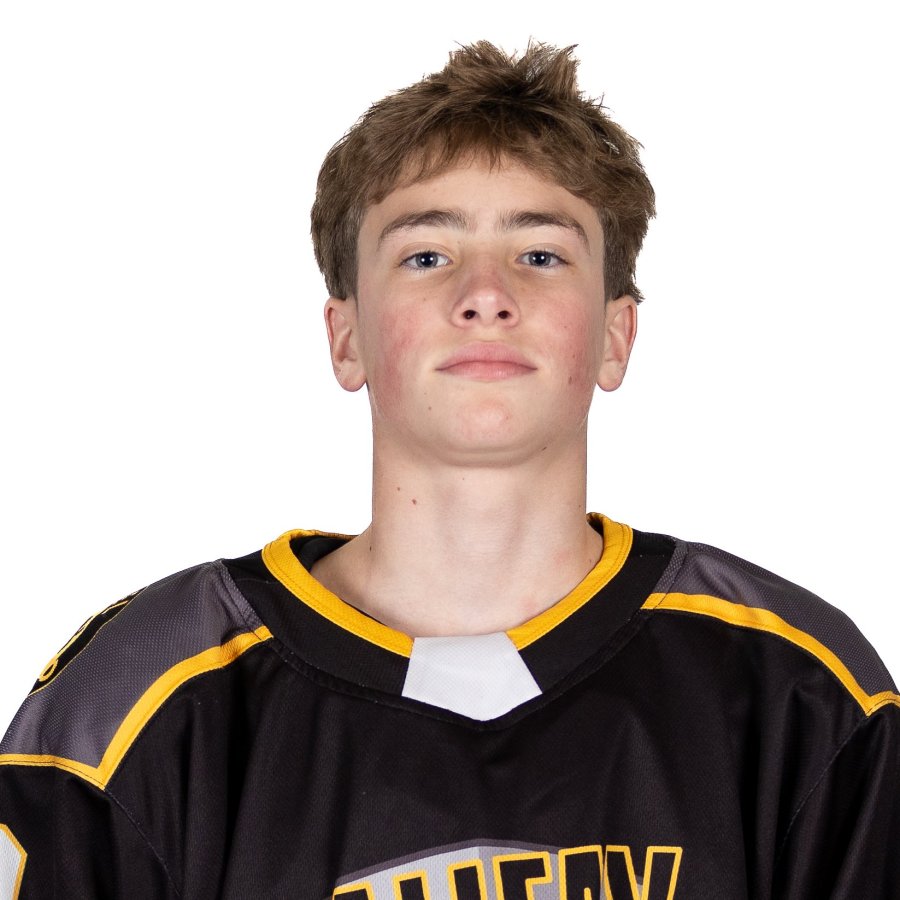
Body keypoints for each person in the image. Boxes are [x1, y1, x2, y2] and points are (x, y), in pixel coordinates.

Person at [0, 40, 897, 899]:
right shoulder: (138, 702)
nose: (486, 296)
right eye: (427, 255)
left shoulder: (798, 690)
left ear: (615, 336)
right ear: (345, 336)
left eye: (540, 254)